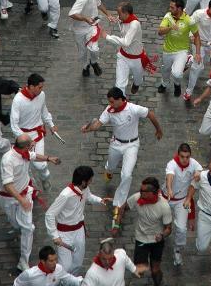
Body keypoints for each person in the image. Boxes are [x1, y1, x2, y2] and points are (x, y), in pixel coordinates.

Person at [80, 87, 163, 233]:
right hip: (116, 144)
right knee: (111, 167)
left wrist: (158, 129)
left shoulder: (133, 109)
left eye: (112, 101)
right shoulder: (109, 110)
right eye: (109, 102)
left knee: (126, 175)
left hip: (132, 145)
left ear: (120, 99)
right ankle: (109, 170)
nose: (110, 104)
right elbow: (99, 123)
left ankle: (118, 206)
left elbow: (150, 114)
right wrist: (89, 129)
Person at [0, 135, 61, 273]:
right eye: (31, 143)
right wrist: (21, 200)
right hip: (8, 198)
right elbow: (7, 185)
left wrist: (49, 158)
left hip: (25, 195)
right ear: (25, 146)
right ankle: (20, 228)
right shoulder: (8, 160)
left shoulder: (24, 152)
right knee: (15, 223)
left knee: (27, 228)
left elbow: (33, 156)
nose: (33, 143)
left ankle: (23, 261)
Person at [45, 166, 110, 275]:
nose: (91, 182)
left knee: (78, 263)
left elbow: (89, 196)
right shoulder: (65, 195)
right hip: (65, 234)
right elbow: (50, 214)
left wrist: (100, 200)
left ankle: (72, 280)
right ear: (84, 182)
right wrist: (55, 235)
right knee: (65, 266)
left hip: (79, 231)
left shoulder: (85, 189)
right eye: (90, 180)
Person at [116, 177, 172, 286]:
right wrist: (116, 224)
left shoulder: (164, 206)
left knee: (155, 269)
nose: (140, 192)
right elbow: (122, 208)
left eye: (143, 191)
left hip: (157, 241)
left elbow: (168, 228)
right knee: (140, 268)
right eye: (140, 190)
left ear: (153, 193)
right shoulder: (136, 198)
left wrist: (162, 235)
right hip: (141, 238)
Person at [9, 73, 58, 191]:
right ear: (31, 86)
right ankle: (31, 187)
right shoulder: (18, 100)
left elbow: (44, 111)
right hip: (24, 136)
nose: (42, 90)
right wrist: (25, 139)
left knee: (40, 164)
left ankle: (45, 178)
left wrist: (51, 124)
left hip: (37, 135)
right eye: (39, 87)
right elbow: (14, 125)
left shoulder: (41, 95)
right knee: (24, 166)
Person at [163, 143, 203, 265]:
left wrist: (198, 173)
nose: (185, 160)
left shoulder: (194, 163)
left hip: (182, 201)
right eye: (182, 156)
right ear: (178, 155)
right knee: (161, 223)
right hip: (166, 199)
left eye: (187, 157)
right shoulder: (171, 164)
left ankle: (177, 250)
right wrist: (169, 189)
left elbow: (199, 171)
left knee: (181, 228)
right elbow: (170, 176)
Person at [69, 0, 114, 78]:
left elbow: (98, 3)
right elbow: (72, 13)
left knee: (94, 49)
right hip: (79, 29)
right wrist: (85, 19)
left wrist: (108, 15)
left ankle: (93, 62)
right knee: (82, 51)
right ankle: (85, 67)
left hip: (91, 27)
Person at [102, 1, 152, 94]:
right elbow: (120, 20)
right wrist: (115, 19)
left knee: (138, 79)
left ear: (126, 13)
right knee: (119, 84)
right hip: (123, 56)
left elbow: (126, 42)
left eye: (119, 14)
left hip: (136, 58)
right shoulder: (123, 18)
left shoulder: (134, 25)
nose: (118, 16)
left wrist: (108, 37)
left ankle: (136, 84)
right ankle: (121, 102)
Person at [158, 0, 200, 98]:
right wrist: (170, 28)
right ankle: (165, 83)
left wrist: (198, 53)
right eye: (170, 7)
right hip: (167, 50)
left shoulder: (189, 21)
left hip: (181, 51)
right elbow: (160, 32)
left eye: (172, 8)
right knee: (165, 71)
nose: (170, 9)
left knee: (177, 74)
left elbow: (197, 36)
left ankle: (177, 84)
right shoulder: (168, 17)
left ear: (179, 8)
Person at [83, 239, 147, 286]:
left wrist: (134, 269)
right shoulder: (92, 273)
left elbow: (126, 260)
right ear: (99, 254)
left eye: (110, 258)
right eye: (104, 259)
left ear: (113, 254)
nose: (107, 262)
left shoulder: (121, 256)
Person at [13, 245, 83, 286]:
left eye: (55, 259)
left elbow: (70, 279)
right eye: (51, 261)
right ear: (43, 261)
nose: (55, 263)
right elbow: (16, 284)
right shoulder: (29, 274)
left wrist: (84, 282)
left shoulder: (59, 268)